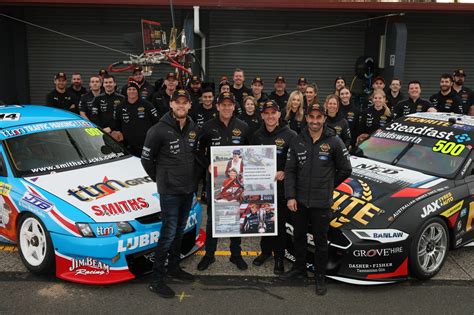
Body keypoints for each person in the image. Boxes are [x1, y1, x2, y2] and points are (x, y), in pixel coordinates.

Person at [281, 102, 352, 296]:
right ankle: (299, 269)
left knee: (321, 241)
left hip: (321, 202)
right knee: (299, 236)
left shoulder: (335, 141)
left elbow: (346, 169)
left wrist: (328, 185)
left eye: (318, 117)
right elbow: (290, 170)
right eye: (311, 117)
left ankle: (320, 275)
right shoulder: (297, 140)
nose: (314, 121)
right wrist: (291, 196)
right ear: (307, 118)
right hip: (300, 201)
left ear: (324, 119)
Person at [141, 89, 198, 299]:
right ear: (171, 105)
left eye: (185, 102)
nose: (181, 106)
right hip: (169, 192)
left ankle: (174, 267)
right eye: (177, 102)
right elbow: (146, 160)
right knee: (168, 234)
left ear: (190, 105)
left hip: (187, 189)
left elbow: (196, 155)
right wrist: (162, 179)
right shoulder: (157, 130)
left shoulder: (193, 128)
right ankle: (156, 280)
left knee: (180, 231)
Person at [196, 91, 250, 271]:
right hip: (216, 182)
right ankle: (209, 255)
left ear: (234, 106)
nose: (226, 108)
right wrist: (207, 165)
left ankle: (236, 255)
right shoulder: (207, 126)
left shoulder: (243, 126)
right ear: (217, 106)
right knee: (213, 219)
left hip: (238, 182)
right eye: (223, 104)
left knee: (236, 217)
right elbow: (198, 150)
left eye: (230, 104)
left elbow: (250, 152)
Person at [251, 99, 297, 275]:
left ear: (279, 114)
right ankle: (265, 252)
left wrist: (284, 171)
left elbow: (295, 161)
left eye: (273, 113)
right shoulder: (256, 136)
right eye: (267, 113)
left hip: (281, 188)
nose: (270, 116)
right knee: (263, 220)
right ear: (262, 115)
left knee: (278, 224)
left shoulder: (290, 135)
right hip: (261, 188)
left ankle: (279, 257)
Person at [112, 80, 159, 156]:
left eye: (134, 89)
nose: (131, 91)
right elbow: (117, 125)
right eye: (129, 89)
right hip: (128, 146)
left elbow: (157, 122)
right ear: (126, 91)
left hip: (146, 144)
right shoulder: (120, 107)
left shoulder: (147, 105)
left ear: (138, 91)